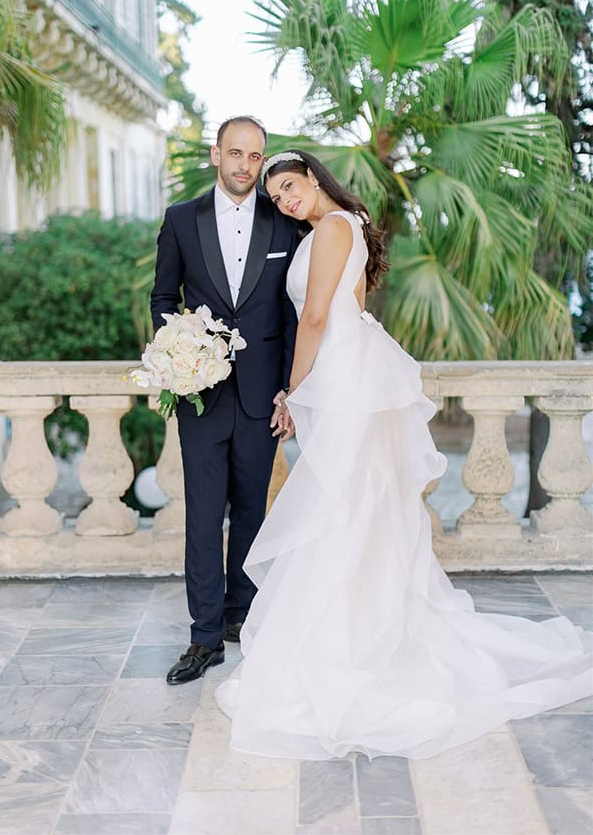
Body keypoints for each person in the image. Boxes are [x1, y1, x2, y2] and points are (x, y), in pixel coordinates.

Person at [215, 149, 593, 760]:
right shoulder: (340, 227)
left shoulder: (334, 228)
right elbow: (351, 310)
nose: (284, 200)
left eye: (290, 186)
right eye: (276, 195)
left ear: (313, 177)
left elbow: (315, 319)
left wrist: (294, 388)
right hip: (350, 374)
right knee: (355, 504)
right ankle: (357, 629)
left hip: (341, 379)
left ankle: (354, 642)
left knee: (344, 503)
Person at [150, 118, 298, 685]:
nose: (244, 165)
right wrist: (180, 355)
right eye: (235, 153)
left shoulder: (281, 222)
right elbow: (165, 295)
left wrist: (290, 385)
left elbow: (290, 313)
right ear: (216, 155)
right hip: (200, 394)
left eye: (255, 156)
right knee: (205, 514)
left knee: (254, 511)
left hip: (264, 393)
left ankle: (242, 615)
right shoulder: (181, 220)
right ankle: (204, 636)